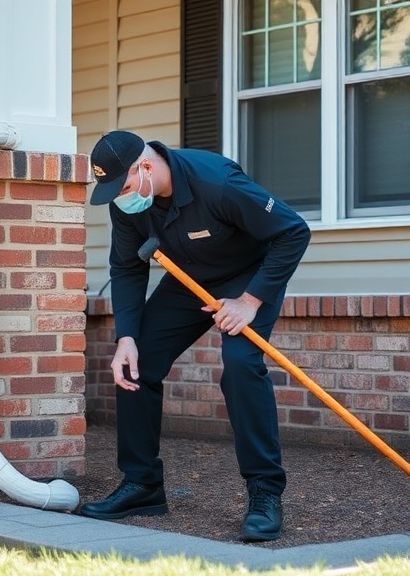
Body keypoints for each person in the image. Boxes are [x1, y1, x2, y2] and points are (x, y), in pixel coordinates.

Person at [80, 130, 311, 542]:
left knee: (241, 367)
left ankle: (265, 492)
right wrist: (126, 337)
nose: (122, 197)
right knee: (138, 362)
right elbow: (126, 268)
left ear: (146, 167)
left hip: (248, 279)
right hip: (189, 279)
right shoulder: (130, 204)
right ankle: (142, 485)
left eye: (126, 186)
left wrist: (250, 301)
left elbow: (293, 232)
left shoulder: (217, 183)